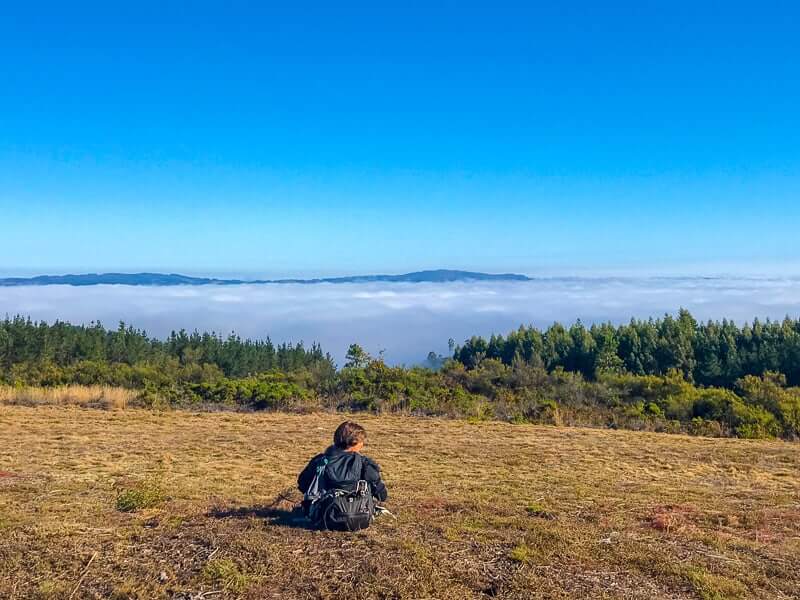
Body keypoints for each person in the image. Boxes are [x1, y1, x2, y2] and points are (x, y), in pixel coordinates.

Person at [297, 421, 388, 530]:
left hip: (323, 517)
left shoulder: (320, 461)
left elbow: (302, 485)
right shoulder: (365, 463)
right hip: (360, 517)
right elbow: (382, 495)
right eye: (362, 441)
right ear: (354, 442)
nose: (363, 444)